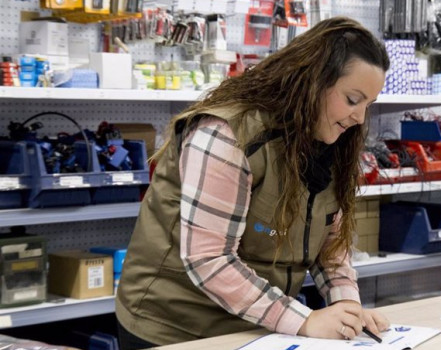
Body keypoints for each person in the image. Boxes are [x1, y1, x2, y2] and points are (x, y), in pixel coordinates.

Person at [115, 16, 391, 349]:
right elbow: (207, 259)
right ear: (313, 81)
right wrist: (303, 320)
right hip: (174, 329)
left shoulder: (327, 139)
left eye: (368, 105)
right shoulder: (227, 135)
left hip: (255, 326)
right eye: (352, 99)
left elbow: (330, 241)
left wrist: (346, 305)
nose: (360, 117)